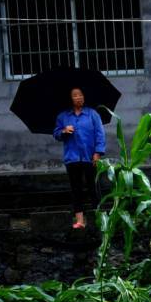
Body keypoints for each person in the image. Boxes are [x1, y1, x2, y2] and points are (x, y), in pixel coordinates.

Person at [52, 87, 105, 230]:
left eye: (81, 95)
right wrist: (64, 131)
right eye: (75, 95)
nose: (79, 97)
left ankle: (98, 219)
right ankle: (80, 221)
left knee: (93, 187)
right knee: (76, 189)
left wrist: (98, 152)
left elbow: (100, 134)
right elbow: (56, 134)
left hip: (90, 157)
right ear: (70, 99)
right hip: (72, 158)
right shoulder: (63, 116)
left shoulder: (92, 114)